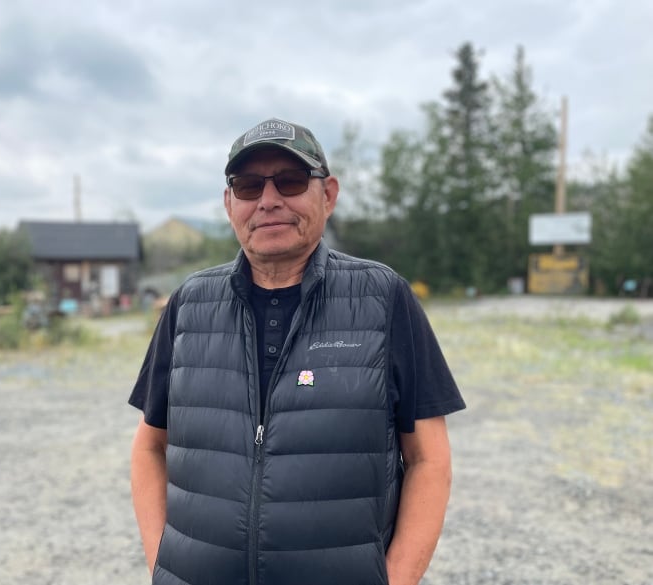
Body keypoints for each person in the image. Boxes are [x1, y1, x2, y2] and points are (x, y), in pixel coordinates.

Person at [129, 118, 465, 585]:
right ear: (230, 204)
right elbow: (149, 446)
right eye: (248, 186)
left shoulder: (384, 298)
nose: (268, 201)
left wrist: (397, 579)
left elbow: (430, 459)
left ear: (327, 195)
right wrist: (162, 564)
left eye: (289, 181)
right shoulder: (189, 303)